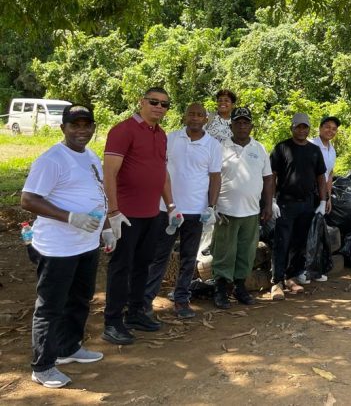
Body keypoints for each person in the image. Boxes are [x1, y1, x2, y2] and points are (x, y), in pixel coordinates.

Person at [21, 105, 112, 388]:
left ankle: (68, 348)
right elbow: (28, 199)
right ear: (63, 128)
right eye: (75, 125)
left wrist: (106, 228)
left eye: (87, 125)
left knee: (80, 299)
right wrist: (70, 217)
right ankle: (43, 365)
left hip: (85, 244)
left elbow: (98, 192)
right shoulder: (52, 160)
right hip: (58, 247)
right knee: (51, 307)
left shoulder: (90, 156)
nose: (82, 130)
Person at [101, 87, 175, 345]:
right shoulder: (123, 130)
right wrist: (113, 211)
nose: (159, 107)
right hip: (126, 214)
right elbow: (108, 173)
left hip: (152, 213)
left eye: (165, 104)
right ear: (141, 102)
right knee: (121, 268)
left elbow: (161, 172)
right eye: (154, 102)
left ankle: (135, 313)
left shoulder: (161, 135)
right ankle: (112, 322)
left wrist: (171, 205)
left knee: (143, 265)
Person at [143, 103, 221, 319]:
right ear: (185, 117)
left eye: (199, 115)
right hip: (167, 210)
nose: (195, 118)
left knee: (188, 258)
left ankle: (181, 300)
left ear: (206, 119)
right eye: (191, 114)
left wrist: (211, 207)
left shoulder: (213, 145)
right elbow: (158, 169)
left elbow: (215, 176)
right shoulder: (171, 139)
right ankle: (145, 301)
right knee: (159, 256)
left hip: (196, 212)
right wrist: (164, 203)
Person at [212, 107, 274, 309]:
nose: (242, 125)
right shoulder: (220, 148)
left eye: (245, 122)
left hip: (252, 211)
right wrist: (211, 206)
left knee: (246, 253)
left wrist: (268, 204)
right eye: (238, 122)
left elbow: (268, 179)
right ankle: (221, 289)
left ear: (251, 126)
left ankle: (240, 287)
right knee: (224, 252)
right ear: (231, 126)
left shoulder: (259, 149)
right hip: (226, 210)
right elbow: (212, 177)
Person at [271, 113, 329, 298]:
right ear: (292, 128)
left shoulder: (314, 150)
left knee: (299, 242)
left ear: (308, 129)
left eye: (305, 127)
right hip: (286, 204)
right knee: (282, 241)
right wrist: (271, 201)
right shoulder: (282, 148)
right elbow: (272, 176)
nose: (302, 131)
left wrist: (322, 201)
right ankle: (277, 281)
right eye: (298, 127)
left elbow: (321, 177)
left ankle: (292, 277)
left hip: (307, 204)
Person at [312, 116, 340, 213]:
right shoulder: (311, 145)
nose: (330, 131)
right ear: (320, 128)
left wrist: (328, 198)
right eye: (327, 127)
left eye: (334, 129)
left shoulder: (332, 150)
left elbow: (330, 174)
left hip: (322, 194)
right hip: (309, 194)